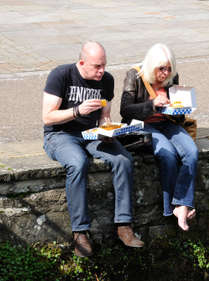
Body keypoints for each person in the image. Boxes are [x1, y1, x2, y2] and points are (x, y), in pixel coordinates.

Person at [42, 41, 144, 257]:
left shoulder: (106, 80)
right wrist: (77, 111)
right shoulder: (61, 75)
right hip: (60, 134)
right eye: (97, 66)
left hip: (91, 134)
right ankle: (80, 232)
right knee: (78, 163)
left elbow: (105, 116)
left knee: (123, 159)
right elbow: (48, 116)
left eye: (104, 65)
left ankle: (124, 225)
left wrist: (108, 131)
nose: (102, 71)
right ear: (82, 62)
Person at [120, 43, 198, 231]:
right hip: (143, 124)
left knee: (191, 152)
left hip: (167, 121)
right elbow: (125, 110)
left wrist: (181, 107)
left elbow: (178, 112)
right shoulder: (135, 75)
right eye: (161, 69)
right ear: (152, 66)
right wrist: (152, 104)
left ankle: (182, 204)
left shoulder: (172, 77)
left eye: (169, 69)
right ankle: (170, 207)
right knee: (168, 154)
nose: (166, 73)